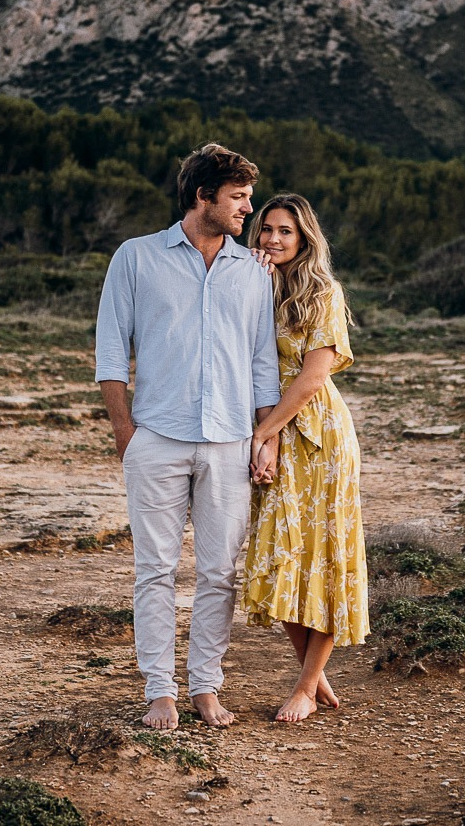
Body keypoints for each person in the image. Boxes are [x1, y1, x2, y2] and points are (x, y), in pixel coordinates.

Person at [95, 143, 281, 731]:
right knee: (154, 569)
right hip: (156, 439)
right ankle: (159, 690)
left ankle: (205, 685)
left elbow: (262, 363)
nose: (247, 210)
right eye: (238, 198)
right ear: (204, 197)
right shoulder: (135, 258)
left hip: (229, 443)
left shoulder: (253, 272)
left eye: (249, 198)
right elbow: (109, 353)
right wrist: (126, 433)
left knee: (219, 573)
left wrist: (266, 436)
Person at [242, 193, 369, 722]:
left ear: (304, 238)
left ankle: (303, 687)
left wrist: (263, 434)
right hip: (274, 432)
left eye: (285, 231)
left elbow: (313, 376)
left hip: (320, 439)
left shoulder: (323, 291)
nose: (272, 238)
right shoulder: (252, 286)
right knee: (279, 556)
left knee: (326, 556)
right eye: (265, 228)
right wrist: (266, 436)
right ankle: (313, 675)